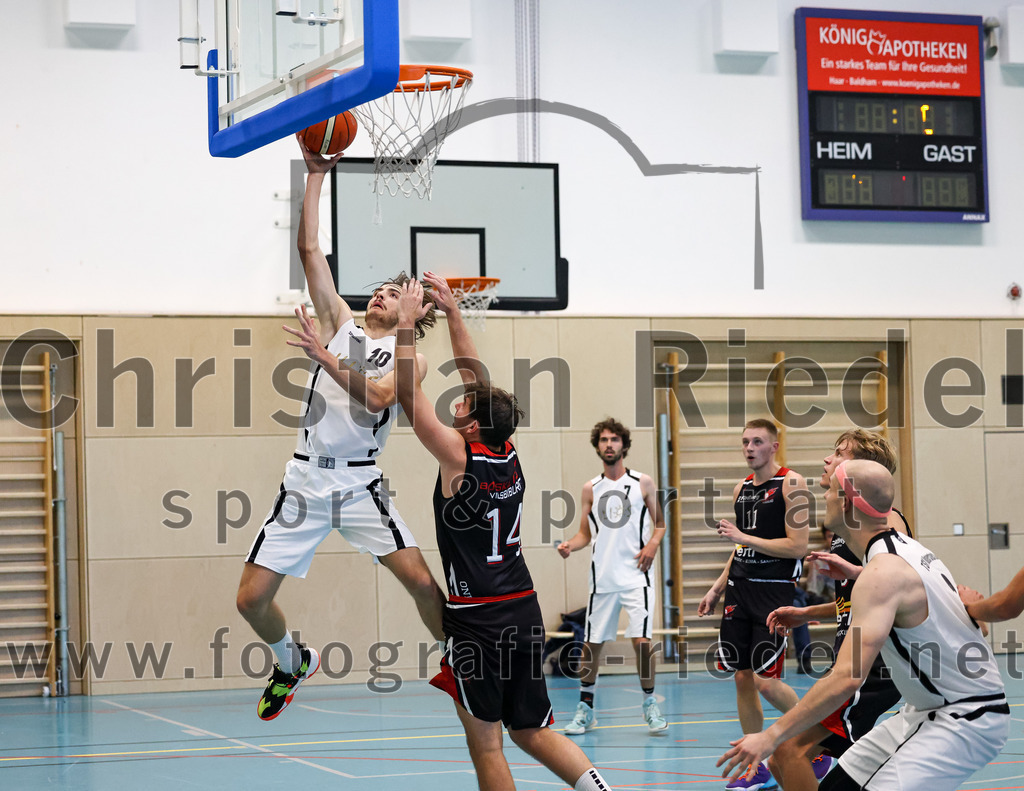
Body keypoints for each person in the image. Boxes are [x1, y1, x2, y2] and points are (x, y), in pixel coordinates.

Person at [234, 137, 446, 721]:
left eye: (397, 294)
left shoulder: (412, 359)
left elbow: (379, 397)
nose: (380, 292)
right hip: (304, 481)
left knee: (425, 587)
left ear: (416, 315)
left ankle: (457, 658)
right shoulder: (342, 324)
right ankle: (290, 659)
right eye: (380, 286)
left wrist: (324, 359)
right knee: (250, 600)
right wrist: (315, 175)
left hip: (359, 486)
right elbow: (309, 250)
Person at [394, 277, 612, 791]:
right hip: (522, 607)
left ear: (472, 426)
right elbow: (478, 382)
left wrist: (407, 324)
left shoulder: (458, 457)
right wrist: (451, 314)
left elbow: (406, 392)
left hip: (479, 621)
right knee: (532, 729)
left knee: (487, 743)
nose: (465, 397)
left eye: (470, 403)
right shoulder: (507, 454)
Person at [718, 459, 1010, 791]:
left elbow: (846, 677)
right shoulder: (903, 552)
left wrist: (770, 735)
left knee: (790, 751)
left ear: (845, 502)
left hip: (965, 718)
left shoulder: (881, 573)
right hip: (924, 711)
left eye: (829, 490)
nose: (822, 495)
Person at [764, 429, 911, 790]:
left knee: (788, 751)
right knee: (784, 759)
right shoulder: (845, 529)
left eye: (839, 453)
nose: (827, 460)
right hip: (853, 654)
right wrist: (807, 613)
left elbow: (898, 586)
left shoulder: (886, 520)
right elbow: (859, 596)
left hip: (875, 662)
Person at [697, 418, 809, 790]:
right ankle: (755, 766)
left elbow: (797, 546)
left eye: (757, 441)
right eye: (745, 441)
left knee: (766, 680)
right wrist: (716, 588)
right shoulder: (741, 489)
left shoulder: (792, 484)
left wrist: (743, 535)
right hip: (739, 590)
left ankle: (816, 737)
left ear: (774, 446)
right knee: (742, 676)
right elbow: (741, 549)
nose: (749, 448)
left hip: (773, 592)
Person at [556, 418, 668, 735]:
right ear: (597, 446)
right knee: (591, 645)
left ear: (624, 445)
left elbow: (660, 524)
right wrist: (570, 546)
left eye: (614, 439)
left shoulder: (642, 482)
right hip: (602, 581)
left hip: (637, 578)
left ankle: (649, 704)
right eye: (604, 440)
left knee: (642, 643)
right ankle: (585, 708)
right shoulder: (591, 488)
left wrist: (651, 547)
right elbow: (584, 534)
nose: (609, 444)